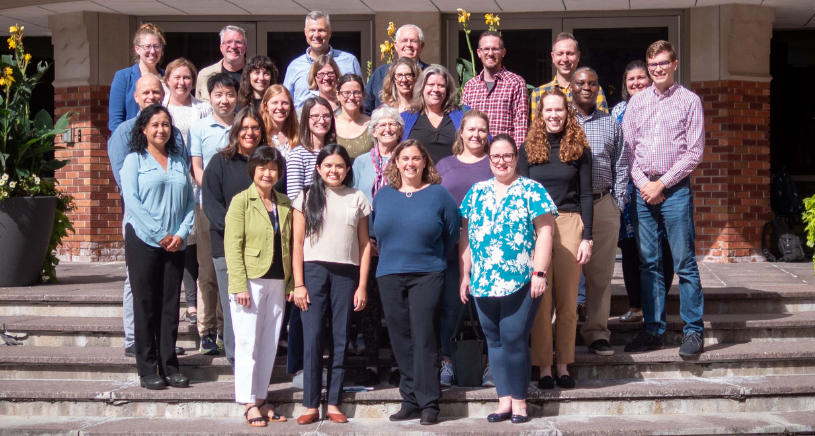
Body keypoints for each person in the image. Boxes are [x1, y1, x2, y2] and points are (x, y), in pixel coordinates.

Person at [459, 134, 557, 424]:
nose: (501, 162)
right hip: (484, 281)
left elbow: (546, 233)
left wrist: (540, 272)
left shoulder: (532, 190)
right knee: (494, 341)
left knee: (513, 338)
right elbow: (465, 236)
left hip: (522, 279)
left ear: (516, 158)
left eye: (507, 156)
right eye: (495, 157)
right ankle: (503, 401)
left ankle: (519, 402)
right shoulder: (475, 192)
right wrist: (465, 274)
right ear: (488, 160)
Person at [622, 40, 705, 357]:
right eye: (652, 64)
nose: (657, 69)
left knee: (684, 264)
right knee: (649, 264)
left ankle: (693, 332)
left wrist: (662, 184)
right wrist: (645, 184)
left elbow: (694, 153)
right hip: (643, 192)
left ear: (675, 64)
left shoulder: (689, 101)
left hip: (675, 190)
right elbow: (628, 151)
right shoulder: (637, 103)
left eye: (663, 63)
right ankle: (653, 330)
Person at [372, 139, 460, 426]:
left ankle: (430, 402)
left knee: (424, 336)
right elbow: (377, 234)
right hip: (389, 273)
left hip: (427, 273)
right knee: (400, 337)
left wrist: (428, 254)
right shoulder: (383, 196)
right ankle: (409, 398)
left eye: (416, 158)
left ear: (425, 163)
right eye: (404, 158)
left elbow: (451, 234)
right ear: (396, 163)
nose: (410, 163)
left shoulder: (438, 195)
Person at [291, 145, 372, 425]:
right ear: (318, 168)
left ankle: (334, 401)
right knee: (312, 338)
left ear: (347, 169)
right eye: (328, 165)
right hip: (313, 272)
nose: (333, 170)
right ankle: (311, 404)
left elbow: (364, 245)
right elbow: (297, 244)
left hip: (346, 274)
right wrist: (298, 284)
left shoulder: (357, 198)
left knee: (340, 338)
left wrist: (362, 285)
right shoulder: (306, 196)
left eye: (339, 166)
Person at [107, 74, 186, 359]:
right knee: (138, 285)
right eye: (146, 92)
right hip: (140, 222)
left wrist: (179, 228)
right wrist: (154, 228)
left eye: (156, 92)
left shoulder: (172, 133)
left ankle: (163, 345)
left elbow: (183, 175)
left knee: (166, 293)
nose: (151, 96)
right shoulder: (124, 134)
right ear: (136, 98)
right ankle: (135, 340)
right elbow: (125, 185)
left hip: (173, 223)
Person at [520, 88, 592, 390]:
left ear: (568, 113)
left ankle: (563, 364)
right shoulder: (527, 149)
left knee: (567, 301)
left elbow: (586, 194)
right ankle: (544, 366)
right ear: (541, 114)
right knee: (541, 299)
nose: (553, 115)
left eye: (559, 110)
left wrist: (588, 236)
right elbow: (521, 193)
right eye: (548, 110)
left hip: (570, 223)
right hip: (536, 226)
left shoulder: (579, 149)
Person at [120, 104, 194, 390]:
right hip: (143, 240)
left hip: (176, 243)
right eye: (155, 125)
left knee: (169, 306)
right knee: (146, 304)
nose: (161, 129)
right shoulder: (134, 161)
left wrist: (181, 232)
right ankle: (148, 367)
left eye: (165, 124)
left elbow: (189, 201)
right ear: (144, 130)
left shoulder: (178, 160)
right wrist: (160, 233)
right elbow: (133, 203)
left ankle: (170, 365)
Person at [224, 145, 292, 427]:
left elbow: (290, 245)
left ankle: (261, 399)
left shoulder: (285, 202)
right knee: (247, 342)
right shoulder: (241, 201)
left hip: (278, 280)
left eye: (273, 168)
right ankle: (248, 402)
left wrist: (291, 284)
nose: (268, 173)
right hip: (249, 281)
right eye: (262, 167)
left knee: (269, 343)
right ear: (253, 170)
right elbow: (233, 245)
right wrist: (238, 284)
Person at [203, 107, 273, 370]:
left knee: (261, 310)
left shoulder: (270, 163)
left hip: (265, 251)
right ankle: (238, 364)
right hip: (228, 248)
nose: (250, 132)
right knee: (236, 309)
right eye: (244, 127)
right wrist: (239, 236)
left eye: (255, 128)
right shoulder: (219, 163)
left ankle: (259, 364)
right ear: (235, 131)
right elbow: (212, 205)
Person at [570, 67, 630, 357]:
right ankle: (563, 333)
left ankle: (597, 333)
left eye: (592, 83)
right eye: (581, 83)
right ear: (571, 86)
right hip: (567, 208)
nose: (586, 87)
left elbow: (621, 163)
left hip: (602, 203)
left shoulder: (611, 123)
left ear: (598, 88)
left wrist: (617, 202)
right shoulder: (560, 119)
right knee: (565, 274)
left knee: (601, 275)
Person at [612, 60, 674, 323]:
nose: (636, 82)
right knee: (629, 248)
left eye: (641, 78)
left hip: (660, 186)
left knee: (663, 246)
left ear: (649, 79)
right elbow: (617, 152)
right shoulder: (618, 111)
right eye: (631, 79)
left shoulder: (661, 106)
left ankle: (659, 303)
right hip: (627, 189)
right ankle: (637, 306)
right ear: (625, 85)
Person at [435, 110, 494, 388]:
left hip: (490, 251)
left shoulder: (495, 163)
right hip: (450, 250)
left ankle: (489, 366)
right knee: (450, 308)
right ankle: (447, 363)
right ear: (461, 132)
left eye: (482, 130)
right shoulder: (445, 165)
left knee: (487, 309)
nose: (476, 135)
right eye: (471, 129)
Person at [284, 96, 337, 388]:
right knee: (302, 305)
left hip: (333, 237)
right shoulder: (298, 154)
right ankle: (301, 368)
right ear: (306, 120)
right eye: (315, 116)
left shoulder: (333, 151)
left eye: (326, 115)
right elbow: (296, 198)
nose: (321, 120)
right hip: (308, 235)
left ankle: (323, 364)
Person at [351, 106, 403, 387]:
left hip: (399, 242)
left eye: (392, 125)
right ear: (372, 131)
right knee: (369, 305)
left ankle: (397, 363)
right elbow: (356, 199)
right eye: (381, 125)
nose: (387, 129)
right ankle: (371, 363)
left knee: (395, 306)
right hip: (366, 242)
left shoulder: (407, 156)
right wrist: (366, 239)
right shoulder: (360, 162)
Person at [189, 73, 239, 357]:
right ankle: (206, 330)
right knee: (208, 270)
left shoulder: (244, 125)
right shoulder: (198, 128)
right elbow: (197, 168)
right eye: (218, 95)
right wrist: (212, 197)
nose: (224, 100)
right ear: (209, 97)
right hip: (208, 206)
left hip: (241, 207)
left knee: (232, 271)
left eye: (230, 94)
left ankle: (225, 329)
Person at [162, 57, 212, 325]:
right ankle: (189, 301)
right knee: (179, 239)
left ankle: (195, 302)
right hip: (170, 182)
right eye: (177, 77)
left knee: (196, 243)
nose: (182, 83)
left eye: (187, 78)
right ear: (167, 80)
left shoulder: (202, 109)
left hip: (196, 180)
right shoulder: (161, 108)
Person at [461, 31, 528, 146]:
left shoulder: (516, 83)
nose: (490, 53)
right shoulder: (470, 86)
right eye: (486, 49)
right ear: (479, 52)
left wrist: (517, 157)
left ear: (503, 52)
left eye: (495, 49)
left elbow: (520, 126)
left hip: (503, 155)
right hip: (476, 154)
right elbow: (463, 124)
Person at [284, 11, 362, 109]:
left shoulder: (349, 61)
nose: (316, 35)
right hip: (302, 122)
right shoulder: (294, 67)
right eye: (312, 30)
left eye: (321, 30)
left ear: (330, 32)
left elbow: (361, 97)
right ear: (305, 32)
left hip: (341, 121)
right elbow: (286, 101)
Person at [529, 32, 608, 119]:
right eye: (560, 54)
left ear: (578, 56)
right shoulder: (538, 94)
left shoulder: (593, 90)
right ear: (553, 57)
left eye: (570, 53)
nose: (565, 59)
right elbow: (535, 131)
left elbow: (603, 127)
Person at [402, 66, 467, 164]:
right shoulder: (405, 118)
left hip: (455, 177)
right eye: (431, 84)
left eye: (441, 85)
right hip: (418, 178)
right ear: (422, 88)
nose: (435, 89)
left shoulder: (462, 115)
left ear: (447, 90)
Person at [109, 23, 165, 133]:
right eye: (147, 47)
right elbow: (116, 122)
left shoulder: (167, 77)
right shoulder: (124, 77)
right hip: (133, 141)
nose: (152, 51)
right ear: (137, 49)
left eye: (156, 46)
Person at [364, 25, 430, 114]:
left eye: (414, 41)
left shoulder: (430, 74)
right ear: (396, 45)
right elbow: (365, 108)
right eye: (404, 41)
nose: (408, 45)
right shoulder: (381, 73)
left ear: (421, 46)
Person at [196, 25, 248, 101]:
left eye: (238, 42)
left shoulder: (257, 76)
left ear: (245, 48)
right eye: (228, 42)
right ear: (221, 48)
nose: (233, 46)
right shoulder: (204, 75)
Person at [335, 74, 374, 159]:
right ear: (338, 95)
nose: (352, 97)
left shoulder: (373, 124)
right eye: (346, 93)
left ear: (363, 94)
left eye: (356, 92)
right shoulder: (330, 124)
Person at [261, 85, 299, 160]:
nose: (280, 107)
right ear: (266, 106)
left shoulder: (298, 134)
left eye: (284, 103)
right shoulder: (260, 134)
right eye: (275, 103)